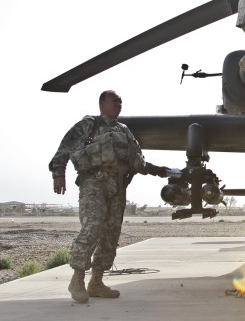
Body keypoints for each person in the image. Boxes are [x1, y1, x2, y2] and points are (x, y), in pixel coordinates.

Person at [49, 90, 169, 303]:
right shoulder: (88, 125)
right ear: (102, 103)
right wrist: (58, 173)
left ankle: (96, 282)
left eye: (121, 101)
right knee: (92, 227)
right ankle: (77, 280)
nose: (119, 104)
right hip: (94, 183)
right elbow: (64, 149)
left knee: (110, 235)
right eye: (115, 101)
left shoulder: (124, 130)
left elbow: (137, 161)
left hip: (118, 187)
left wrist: (157, 170)